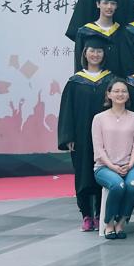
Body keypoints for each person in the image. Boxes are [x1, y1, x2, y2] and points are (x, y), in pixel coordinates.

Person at [58, 34, 111, 231]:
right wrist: (68, 137)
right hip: (81, 136)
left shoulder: (111, 80)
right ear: (85, 53)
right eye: (92, 51)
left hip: (106, 135)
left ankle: (100, 213)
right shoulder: (75, 82)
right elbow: (67, 112)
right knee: (83, 174)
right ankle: (86, 215)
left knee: (103, 170)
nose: (95, 54)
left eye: (99, 51)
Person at [92, 79, 134, 240]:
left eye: (124, 91)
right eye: (116, 91)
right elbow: (98, 148)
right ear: (109, 94)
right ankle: (109, 223)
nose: (120, 94)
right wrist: (112, 166)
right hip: (104, 167)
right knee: (118, 186)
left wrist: (130, 164)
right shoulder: (99, 118)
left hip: (131, 165)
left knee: (133, 186)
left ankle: (121, 222)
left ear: (128, 95)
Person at [72, 0, 122, 73]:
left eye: (113, 3)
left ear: (116, 6)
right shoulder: (85, 31)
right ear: (98, 4)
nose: (109, 7)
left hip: (116, 79)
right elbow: (79, 62)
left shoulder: (121, 32)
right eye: (105, 3)